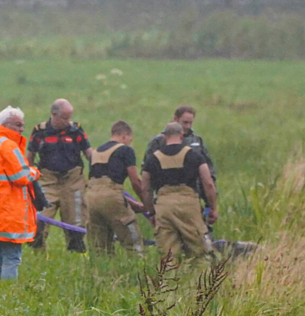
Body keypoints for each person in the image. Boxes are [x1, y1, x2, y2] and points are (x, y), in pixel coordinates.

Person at [0, 106, 41, 280]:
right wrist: (35, 171)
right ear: (5, 125)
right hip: (9, 213)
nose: (21, 129)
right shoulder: (8, 146)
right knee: (11, 258)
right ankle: (7, 295)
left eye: (22, 125)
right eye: (18, 125)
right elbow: (22, 176)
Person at [140, 121, 218, 261]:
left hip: (164, 206)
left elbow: (145, 189)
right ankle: (200, 279)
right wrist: (212, 207)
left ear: (164, 137)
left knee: (168, 255)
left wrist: (151, 212)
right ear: (181, 135)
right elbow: (208, 183)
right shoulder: (194, 156)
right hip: (188, 204)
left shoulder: (152, 159)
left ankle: (170, 280)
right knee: (198, 250)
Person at [26, 98, 92, 252]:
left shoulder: (76, 130)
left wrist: (100, 169)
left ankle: (76, 256)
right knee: (39, 221)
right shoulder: (39, 132)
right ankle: (39, 255)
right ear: (54, 115)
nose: (68, 122)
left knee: (76, 224)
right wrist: (28, 178)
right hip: (47, 181)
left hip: (73, 181)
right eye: (65, 118)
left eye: (70, 117)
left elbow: (89, 154)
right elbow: (29, 158)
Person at [85, 120, 148, 254]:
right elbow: (135, 181)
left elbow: (102, 186)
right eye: (130, 139)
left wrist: (131, 203)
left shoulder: (94, 153)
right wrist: (146, 203)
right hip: (112, 199)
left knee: (99, 246)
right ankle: (139, 267)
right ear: (124, 135)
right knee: (132, 238)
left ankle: (101, 271)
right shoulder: (126, 150)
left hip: (91, 199)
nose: (130, 142)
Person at [143, 105, 216, 199]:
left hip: (193, 194)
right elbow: (147, 170)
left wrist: (209, 198)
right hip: (164, 194)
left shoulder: (196, 141)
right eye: (185, 122)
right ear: (175, 119)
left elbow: (209, 172)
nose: (188, 126)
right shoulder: (159, 141)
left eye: (190, 123)